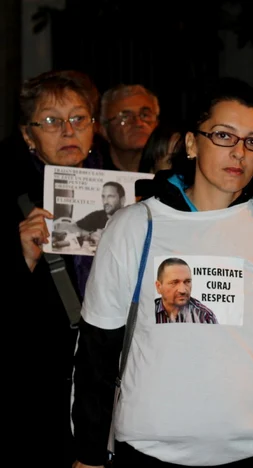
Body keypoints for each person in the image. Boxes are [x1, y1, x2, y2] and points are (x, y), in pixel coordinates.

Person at [72, 77, 253, 468]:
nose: (239, 153)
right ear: (191, 143)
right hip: (150, 446)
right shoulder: (136, 223)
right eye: (223, 136)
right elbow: (98, 345)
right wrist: (89, 451)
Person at [8, 69, 101, 467]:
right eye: (50, 121)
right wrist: (23, 255)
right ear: (28, 136)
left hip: (101, 373)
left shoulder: (121, 189)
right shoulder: (9, 193)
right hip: (34, 384)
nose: (68, 130)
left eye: (79, 119)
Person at [154, 257, 218, 324]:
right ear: (159, 287)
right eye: (174, 283)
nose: (182, 290)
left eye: (187, 282)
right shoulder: (146, 313)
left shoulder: (205, 317)